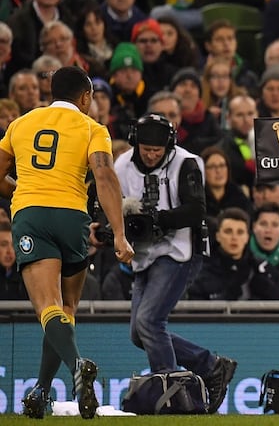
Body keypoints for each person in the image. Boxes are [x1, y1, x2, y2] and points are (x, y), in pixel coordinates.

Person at [0, 67, 133, 419]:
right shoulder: (93, 129)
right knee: (67, 308)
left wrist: (22, 192)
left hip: (31, 217)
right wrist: (119, 234)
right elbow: (104, 176)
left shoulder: (21, 124)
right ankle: (41, 391)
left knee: (47, 308)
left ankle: (75, 366)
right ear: (86, 97)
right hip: (73, 216)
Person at [114, 113, 237, 413]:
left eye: (158, 150)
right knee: (138, 333)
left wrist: (158, 219)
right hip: (143, 253)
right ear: (135, 144)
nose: (153, 154)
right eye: (147, 149)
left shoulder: (187, 162)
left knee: (149, 322)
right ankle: (210, 365)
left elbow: (197, 211)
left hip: (181, 250)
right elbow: (109, 204)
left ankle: (169, 395)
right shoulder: (121, 166)